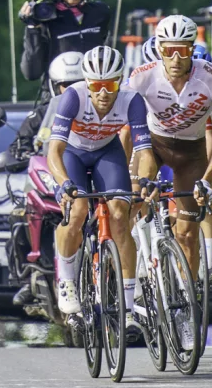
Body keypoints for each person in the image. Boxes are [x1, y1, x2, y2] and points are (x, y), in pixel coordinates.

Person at [47, 46, 157, 334]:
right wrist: (64, 184)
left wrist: (144, 180)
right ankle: (67, 282)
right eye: (96, 85)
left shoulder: (132, 100)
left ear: (120, 81)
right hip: (72, 152)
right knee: (78, 210)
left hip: (107, 152)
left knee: (121, 214)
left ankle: (129, 309)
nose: (104, 92)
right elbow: (54, 152)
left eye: (110, 85)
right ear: (87, 83)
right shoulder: (73, 96)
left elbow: (145, 151)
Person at [127, 15, 212, 304]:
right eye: (168, 50)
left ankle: (188, 300)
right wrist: (130, 171)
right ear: (159, 48)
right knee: (135, 198)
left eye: (183, 50)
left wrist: (209, 179)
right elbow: (128, 128)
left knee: (187, 234)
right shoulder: (141, 77)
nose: (175, 58)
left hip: (191, 152)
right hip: (153, 144)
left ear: (192, 49)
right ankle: (136, 275)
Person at [17, 0, 112, 153]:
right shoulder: (46, 19)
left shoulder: (99, 13)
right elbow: (31, 72)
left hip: (98, 97)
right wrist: (33, 29)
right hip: (57, 98)